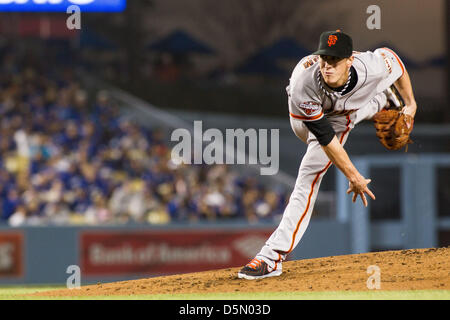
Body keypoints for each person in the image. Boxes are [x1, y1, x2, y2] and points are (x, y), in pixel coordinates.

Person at [238, 30, 417, 279]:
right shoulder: (305, 81)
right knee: (346, 115)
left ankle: (271, 258)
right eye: (324, 58)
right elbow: (324, 137)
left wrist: (410, 105)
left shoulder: (371, 67)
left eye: (334, 60)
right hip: (307, 120)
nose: (327, 65)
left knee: (307, 181)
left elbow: (395, 61)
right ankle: (381, 100)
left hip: (340, 118)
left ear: (349, 60)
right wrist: (353, 175)